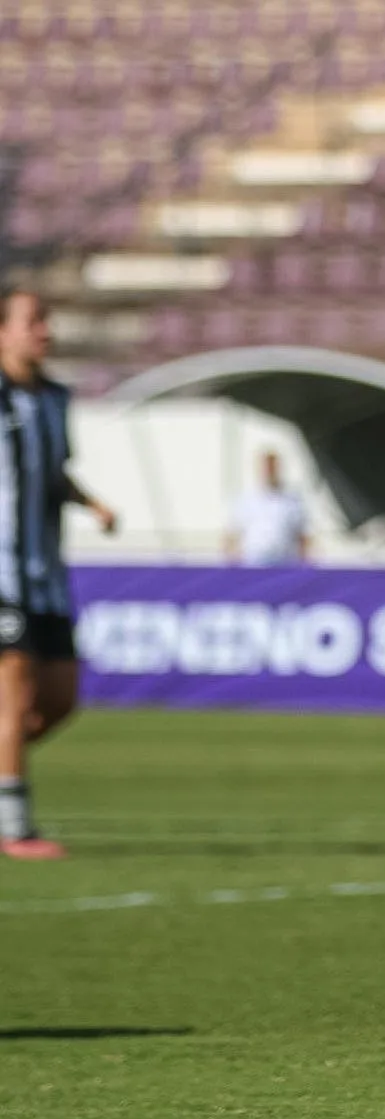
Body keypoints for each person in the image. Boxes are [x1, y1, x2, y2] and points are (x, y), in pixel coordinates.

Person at [0, 288, 118, 861]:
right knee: (14, 693)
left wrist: (91, 504)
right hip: (1, 575)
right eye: (32, 321)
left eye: (46, 319)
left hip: (44, 573)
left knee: (60, 698)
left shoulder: (52, 400)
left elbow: (52, 472)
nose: (44, 330)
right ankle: (15, 828)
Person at [227, 450, 308, 566]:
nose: (270, 471)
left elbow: (302, 535)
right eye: (267, 468)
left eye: (273, 467)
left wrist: (304, 564)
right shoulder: (246, 499)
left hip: (284, 562)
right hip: (253, 563)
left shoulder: (292, 500)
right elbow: (232, 533)